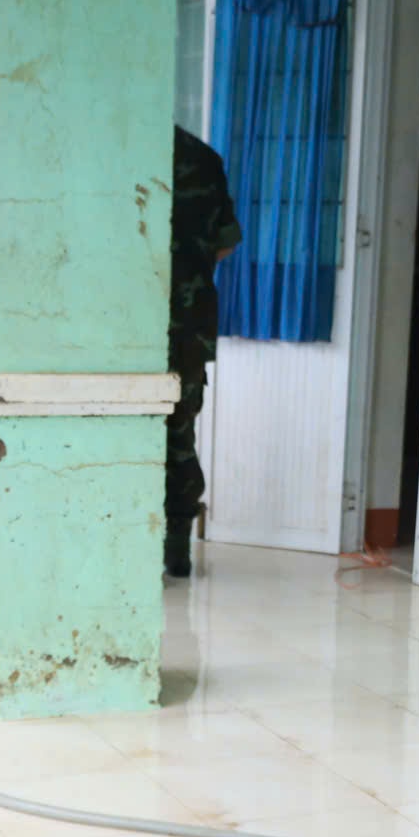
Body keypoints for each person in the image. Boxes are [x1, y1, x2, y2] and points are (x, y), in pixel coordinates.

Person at [165, 125, 242, 579]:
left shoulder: (110, 148)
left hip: (115, 326)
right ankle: (177, 549)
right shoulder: (201, 155)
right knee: (178, 434)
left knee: (113, 427)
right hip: (187, 323)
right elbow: (226, 243)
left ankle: (121, 544)